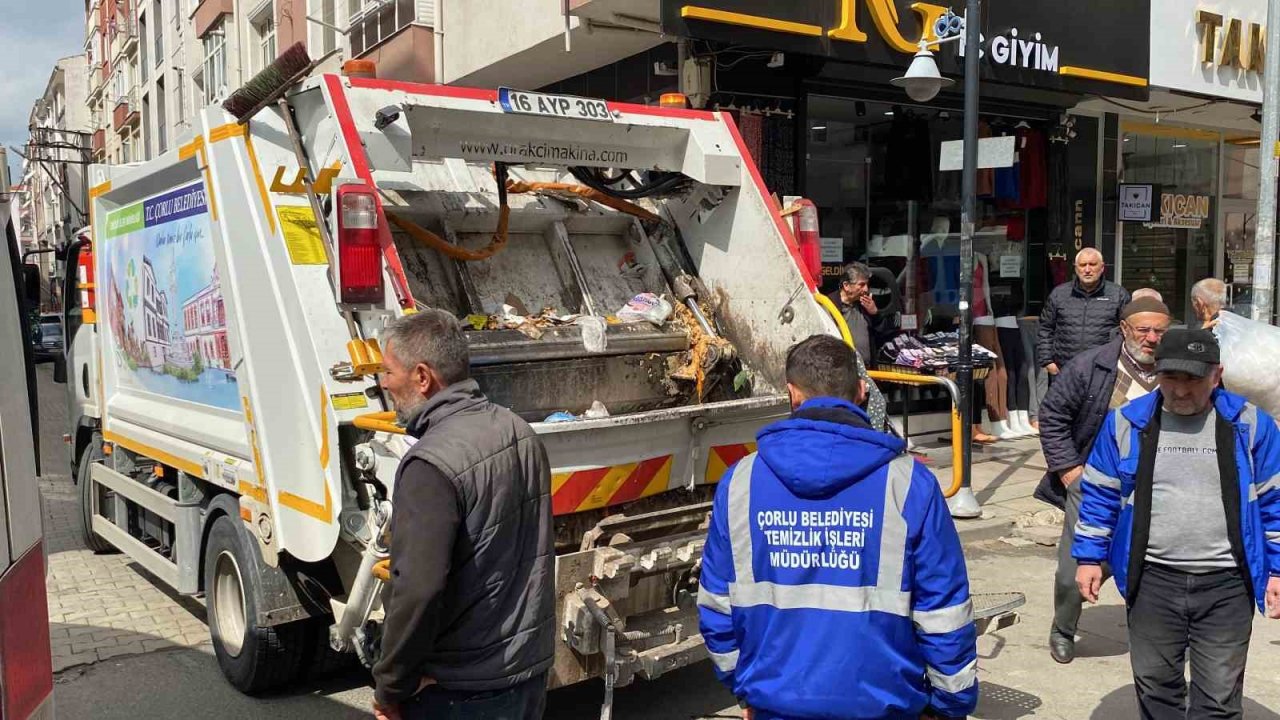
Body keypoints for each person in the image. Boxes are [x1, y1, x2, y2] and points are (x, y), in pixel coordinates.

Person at [697, 334, 978, 720]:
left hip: (775, 706)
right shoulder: (909, 484)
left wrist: (745, 689)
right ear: (862, 391)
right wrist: (949, 705)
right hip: (884, 708)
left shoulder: (740, 483)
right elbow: (944, 611)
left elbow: (716, 606)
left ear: (792, 394)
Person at [1074, 329, 1280, 720]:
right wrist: (1088, 558)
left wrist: (1277, 570)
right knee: (1155, 686)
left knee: (1218, 697)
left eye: (1193, 379)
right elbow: (1100, 496)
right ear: (1157, 374)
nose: (1181, 391)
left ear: (1216, 375)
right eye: (1171, 378)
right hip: (1152, 580)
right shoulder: (1127, 424)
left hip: (1227, 585)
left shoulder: (1251, 425)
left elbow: (1276, 501)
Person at [372, 309, 555, 720]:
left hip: (461, 690)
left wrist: (391, 687)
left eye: (388, 371)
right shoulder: (518, 431)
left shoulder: (429, 464)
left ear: (422, 377)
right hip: (525, 675)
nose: (383, 382)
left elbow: (417, 591)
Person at [1035, 297, 1172, 663]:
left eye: (1160, 331)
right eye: (1143, 330)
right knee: (1074, 568)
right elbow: (1052, 415)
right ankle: (1063, 628)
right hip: (1093, 484)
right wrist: (1068, 470)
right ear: (1124, 329)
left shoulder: (1176, 368)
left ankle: (1155, 635)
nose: (1152, 338)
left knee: (1150, 565)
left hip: (1156, 487)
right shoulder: (1090, 365)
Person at [1037, 248, 1131, 380]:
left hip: (1103, 371)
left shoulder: (1118, 294)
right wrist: (1047, 361)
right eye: (1082, 265)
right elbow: (1045, 328)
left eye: (1092, 264)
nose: (1087, 270)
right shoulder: (1059, 294)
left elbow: (1128, 331)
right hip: (1064, 370)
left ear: (1102, 267)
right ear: (1076, 268)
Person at [828, 262, 894, 431]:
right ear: (846, 286)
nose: (866, 289)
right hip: (843, 373)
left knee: (871, 410)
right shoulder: (829, 306)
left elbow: (884, 334)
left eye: (867, 284)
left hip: (867, 372)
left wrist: (875, 313)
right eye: (861, 285)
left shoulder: (865, 306)